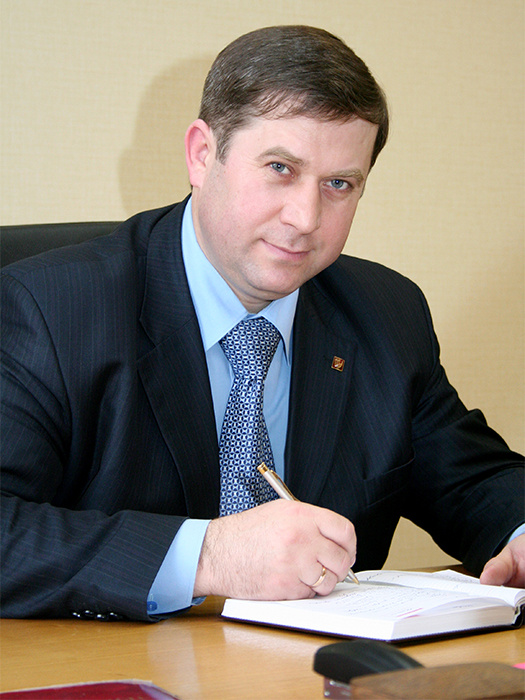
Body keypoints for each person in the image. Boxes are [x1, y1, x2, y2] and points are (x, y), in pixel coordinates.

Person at [1, 25, 523, 622]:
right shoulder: (48, 310)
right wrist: (207, 556)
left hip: (315, 666)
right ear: (202, 155)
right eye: (280, 168)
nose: (305, 218)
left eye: (339, 184)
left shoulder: (386, 312)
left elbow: (473, 480)